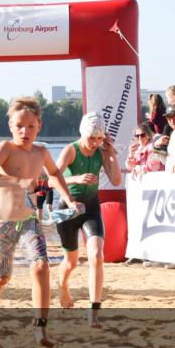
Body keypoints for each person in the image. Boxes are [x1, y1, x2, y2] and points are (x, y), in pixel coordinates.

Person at [0, 97, 80, 347]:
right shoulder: (5, 148)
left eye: (31, 127)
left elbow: (55, 173)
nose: (25, 132)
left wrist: (68, 199)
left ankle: (40, 329)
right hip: (1, 223)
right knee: (3, 276)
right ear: (11, 125)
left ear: (39, 126)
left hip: (28, 221)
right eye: (20, 126)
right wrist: (18, 181)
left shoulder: (41, 152)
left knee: (40, 267)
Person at [54, 112, 123, 327]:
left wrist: (111, 153)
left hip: (91, 206)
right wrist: (75, 179)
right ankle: (63, 286)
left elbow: (116, 179)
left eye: (99, 139)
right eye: (91, 138)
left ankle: (94, 312)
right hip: (68, 208)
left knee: (96, 256)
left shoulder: (101, 152)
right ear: (83, 133)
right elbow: (51, 178)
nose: (95, 143)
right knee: (71, 262)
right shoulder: (71, 150)